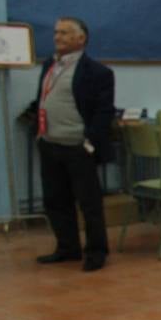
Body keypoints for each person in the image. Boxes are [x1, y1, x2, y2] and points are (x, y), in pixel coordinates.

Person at [33, 16, 114, 272]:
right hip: (50, 143)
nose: (58, 37)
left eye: (65, 33)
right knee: (55, 200)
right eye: (56, 32)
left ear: (81, 39)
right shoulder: (49, 65)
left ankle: (96, 252)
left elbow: (104, 112)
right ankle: (67, 248)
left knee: (89, 203)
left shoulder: (98, 72)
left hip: (79, 146)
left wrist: (89, 142)